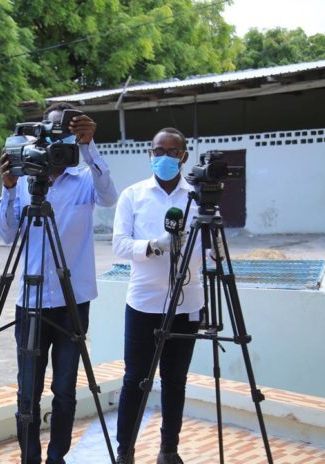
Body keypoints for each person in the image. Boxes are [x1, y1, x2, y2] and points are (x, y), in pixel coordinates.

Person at [0, 102, 118, 464]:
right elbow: (7, 233)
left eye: (64, 131)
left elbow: (110, 196)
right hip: (30, 301)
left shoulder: (84, 182)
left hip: (73, 301)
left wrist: (90, 146)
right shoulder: (24, 180)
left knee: (64, 389)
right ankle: (30, 458)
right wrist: (8, 187)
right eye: (50, 131)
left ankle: (56, 458)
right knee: (27, 390)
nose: (56, 138)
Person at [112, 127, 204, 464]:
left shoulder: (196, 196)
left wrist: (217, 249)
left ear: (184, 156)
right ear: (150, 153)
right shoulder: (133, 195)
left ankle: (169, 450)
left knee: (175, 381)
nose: (163, 157)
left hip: (188, 303)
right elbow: (119, 245)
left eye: (171, 151)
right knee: (135, 380)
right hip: (144, 304)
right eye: (157, 150)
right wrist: (152, 246)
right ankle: (125, 451)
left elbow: (209, 248)